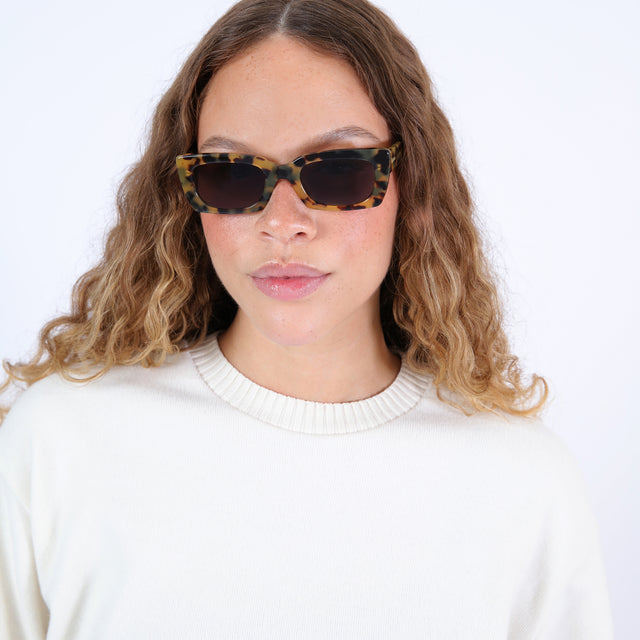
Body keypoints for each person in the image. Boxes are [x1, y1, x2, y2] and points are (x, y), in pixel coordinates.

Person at [0, 0, 613, 637]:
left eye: (340, 172)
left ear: (416, 187)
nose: (282, 223)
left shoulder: (523, 485)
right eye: (232, 175)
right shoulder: (59, 447)